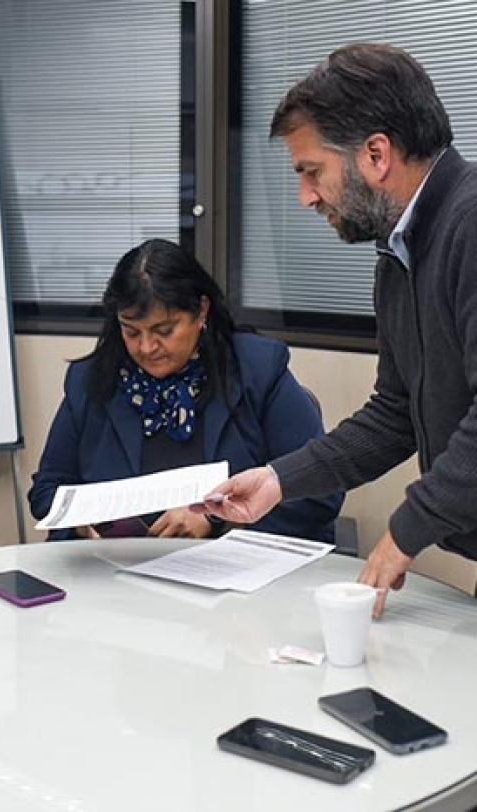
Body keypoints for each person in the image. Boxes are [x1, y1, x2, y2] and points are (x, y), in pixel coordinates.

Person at [197, 43, 477, 617]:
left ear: (376, 153)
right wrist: (279, 479)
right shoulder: (399, 257)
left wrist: (406, 529)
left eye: (311, 171)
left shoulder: (470, 226)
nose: (305, 197)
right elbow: (396, 411)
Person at [29, 238, 342, 541]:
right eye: (131, 331)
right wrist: (82, 524)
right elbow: (47, 491)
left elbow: (318, 489)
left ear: (201, 312)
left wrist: (215, 518)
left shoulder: (257, 370)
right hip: (117, 572)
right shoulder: (92, 380)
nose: (147, 347)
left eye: (164, 330)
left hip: (231, 571)